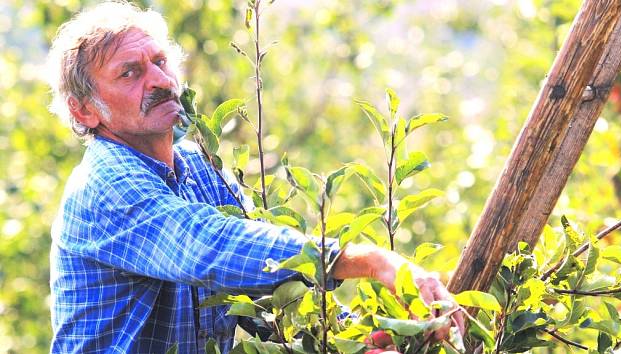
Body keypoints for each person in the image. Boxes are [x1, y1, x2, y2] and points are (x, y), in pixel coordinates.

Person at [46, 2, 464, 353]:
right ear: (84, 110)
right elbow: (207, 246)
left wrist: (352, 340)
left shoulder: (199, 168)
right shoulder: (104, 184)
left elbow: (268, 296)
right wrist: (372, 261)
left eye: (159, 62)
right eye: (130, 73)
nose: (159, 80)